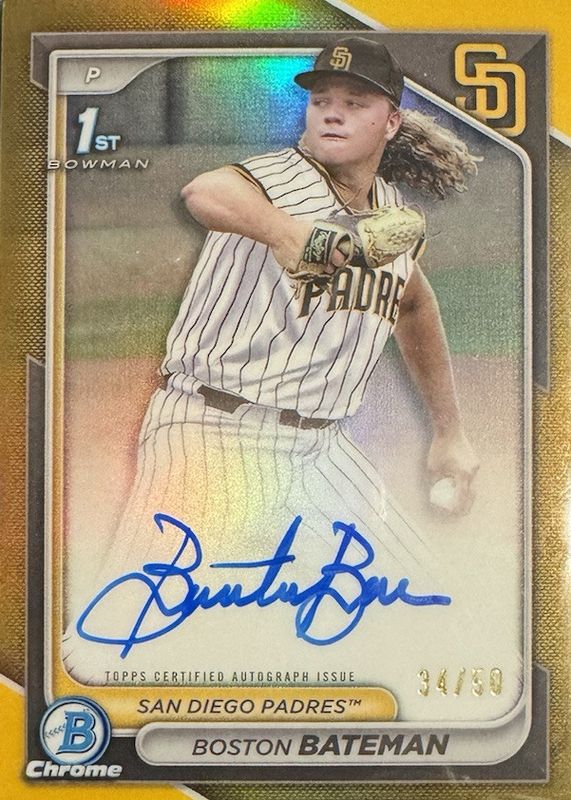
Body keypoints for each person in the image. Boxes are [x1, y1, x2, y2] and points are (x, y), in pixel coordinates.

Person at [64, 36, 479, 682]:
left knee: (430, 613)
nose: (332, 112)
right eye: (322, 100)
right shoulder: (279, 179)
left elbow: (414, 304)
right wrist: (289, 234)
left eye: (355, 102)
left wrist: (448, 431)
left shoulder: (389, 217)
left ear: (391, 121)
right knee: (124, 640)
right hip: (209, 433)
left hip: (321, 453)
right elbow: (205, 192)